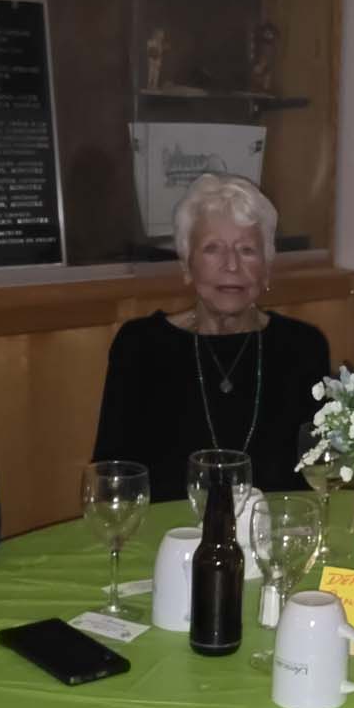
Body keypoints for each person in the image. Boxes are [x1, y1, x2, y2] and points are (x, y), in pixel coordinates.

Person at [91, 172, 330, 501]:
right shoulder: (141, 347)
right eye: (212, 249)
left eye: (247, 250)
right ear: (187, 264)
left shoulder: (303, 348)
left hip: (273, 539)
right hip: (168, 543)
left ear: (267, 267)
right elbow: (112, 478)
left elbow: (316, 476)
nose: (231, 265)